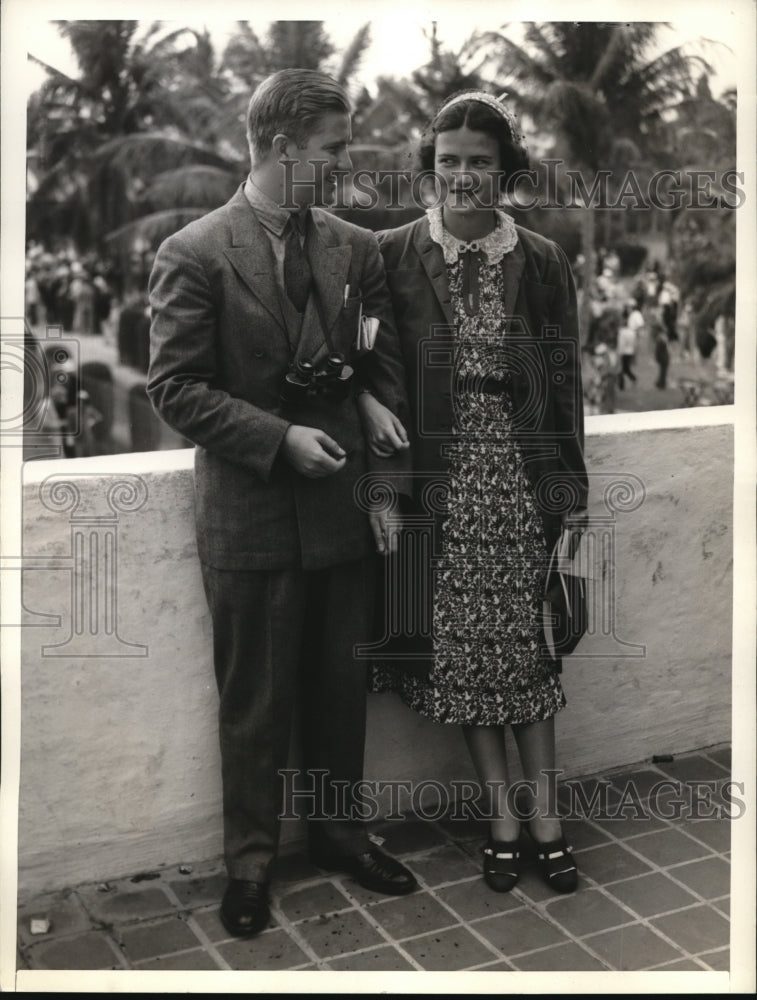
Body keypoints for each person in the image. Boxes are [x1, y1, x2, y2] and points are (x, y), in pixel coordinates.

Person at [147, 68, 416, 939]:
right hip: (251, 516)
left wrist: (374, 400)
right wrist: (275, 438)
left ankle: (340, 835)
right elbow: (175, 389)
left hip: (339, 510)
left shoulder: (354, 247)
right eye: (333, 149)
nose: (347, 162)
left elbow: (379, 353)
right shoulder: (192, 252)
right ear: (277, 148)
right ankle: (251, 866)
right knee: (255, 704)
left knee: (342, 692)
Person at [359, 92, 589, 895]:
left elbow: (563, 383)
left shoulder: (541, 259)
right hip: (440, 491)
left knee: (526, 653)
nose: (462, 176)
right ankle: (500, 819)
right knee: (465, 660)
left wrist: (570, 488)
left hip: (519, 485)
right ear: (431, 168)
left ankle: (548, 820)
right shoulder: (386, 254)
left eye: (479, 162)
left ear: (504, 171)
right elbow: (367, 368)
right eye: (448, 161)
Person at [617, 304, 638, 390]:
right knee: (626, 368)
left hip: (623, 352)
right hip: (630, 351)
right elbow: (634, 343)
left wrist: (619, 352)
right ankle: (632, 379)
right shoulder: (632, 332)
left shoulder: (622, 332)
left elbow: (621, 343)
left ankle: (622, 384)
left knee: (622, 369)